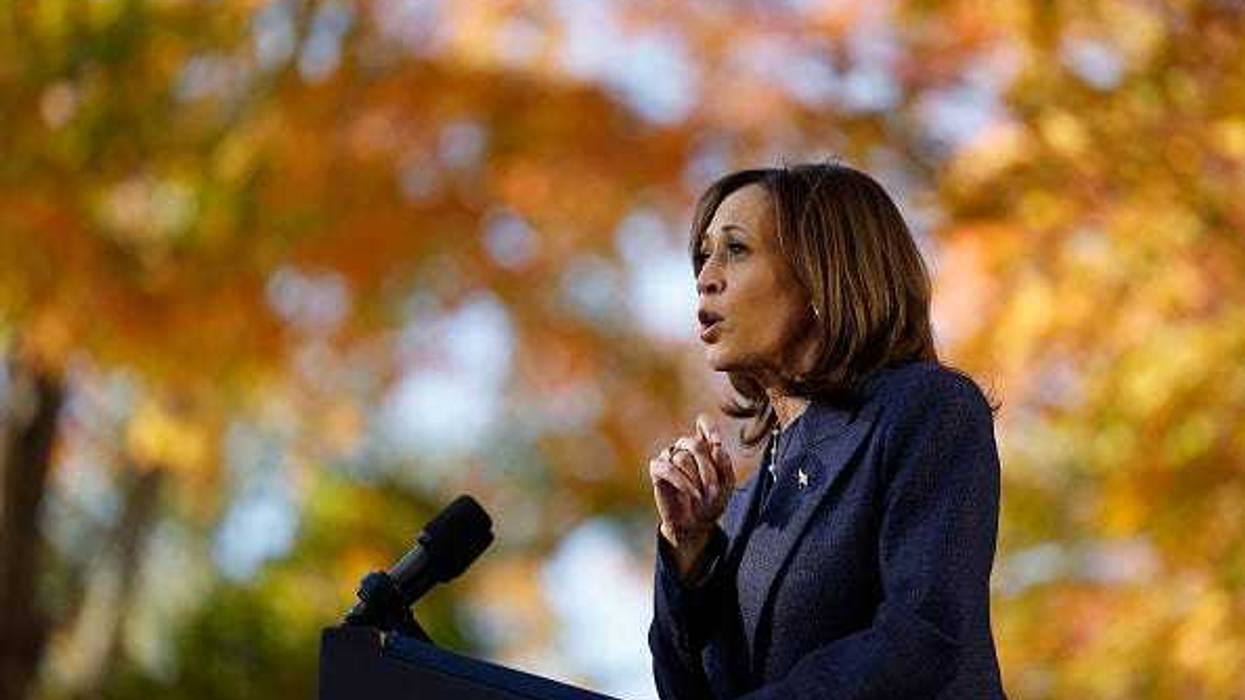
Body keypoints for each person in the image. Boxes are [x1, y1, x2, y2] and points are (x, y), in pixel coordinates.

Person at [647, 162, 1007, 699]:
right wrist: (689, 551)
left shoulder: (928, 410)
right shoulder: (747, 502)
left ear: (819, 274)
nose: (706, 277)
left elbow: (922, 637)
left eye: (736, 250)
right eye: (704, 255)